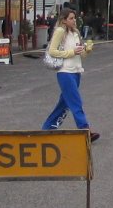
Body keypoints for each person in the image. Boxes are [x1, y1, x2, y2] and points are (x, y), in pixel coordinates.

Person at [41, 8, 99, 141]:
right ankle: (85, 129)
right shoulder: (60, 31)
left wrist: (87, 50)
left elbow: (80, 54)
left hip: (76, 71)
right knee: (75, 102)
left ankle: (47, 128)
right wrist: (71, 52)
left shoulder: (76, 33)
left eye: (74, 18)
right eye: (71, 18)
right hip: (65, 72)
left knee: (65, 103)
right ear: (64, 20)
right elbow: (52, 51)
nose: (74, 21)